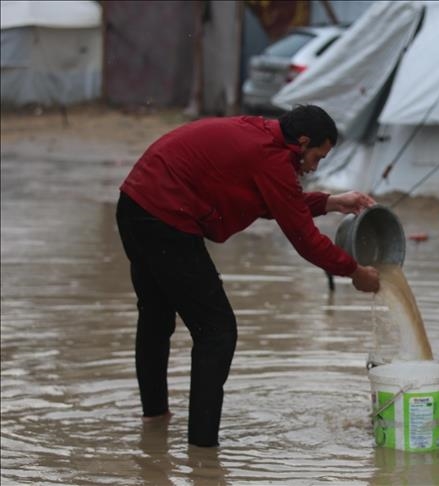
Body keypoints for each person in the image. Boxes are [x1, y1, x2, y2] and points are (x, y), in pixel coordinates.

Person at [115, 104, 380, 447]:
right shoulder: (271, 158)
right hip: (166, 219)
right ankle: (203, 453)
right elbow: (304, 239)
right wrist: (355, 272)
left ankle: (155, 418)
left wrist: (330, 202)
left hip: (134, 204)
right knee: (217, 332)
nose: (314, 167)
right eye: (317, 157)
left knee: (155, 316)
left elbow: (276, 201)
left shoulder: (261, 136)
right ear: (301, 142)